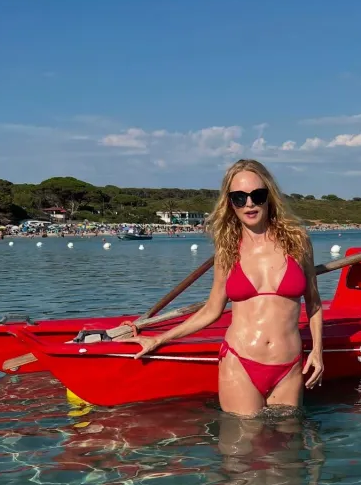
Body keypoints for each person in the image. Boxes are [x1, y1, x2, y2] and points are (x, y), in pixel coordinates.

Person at [133, 159, 324, 415]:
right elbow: (212, 310)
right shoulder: (227, 249)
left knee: (286, 451)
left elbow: (314, 302)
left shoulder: (298, 241)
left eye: (257, 195)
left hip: (289, 364)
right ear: (229, 202)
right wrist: (160, 339)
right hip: (240, 363)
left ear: (269, 196)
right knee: (240, 450)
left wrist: (318, 353)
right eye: (239, 197)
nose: (249, 204)